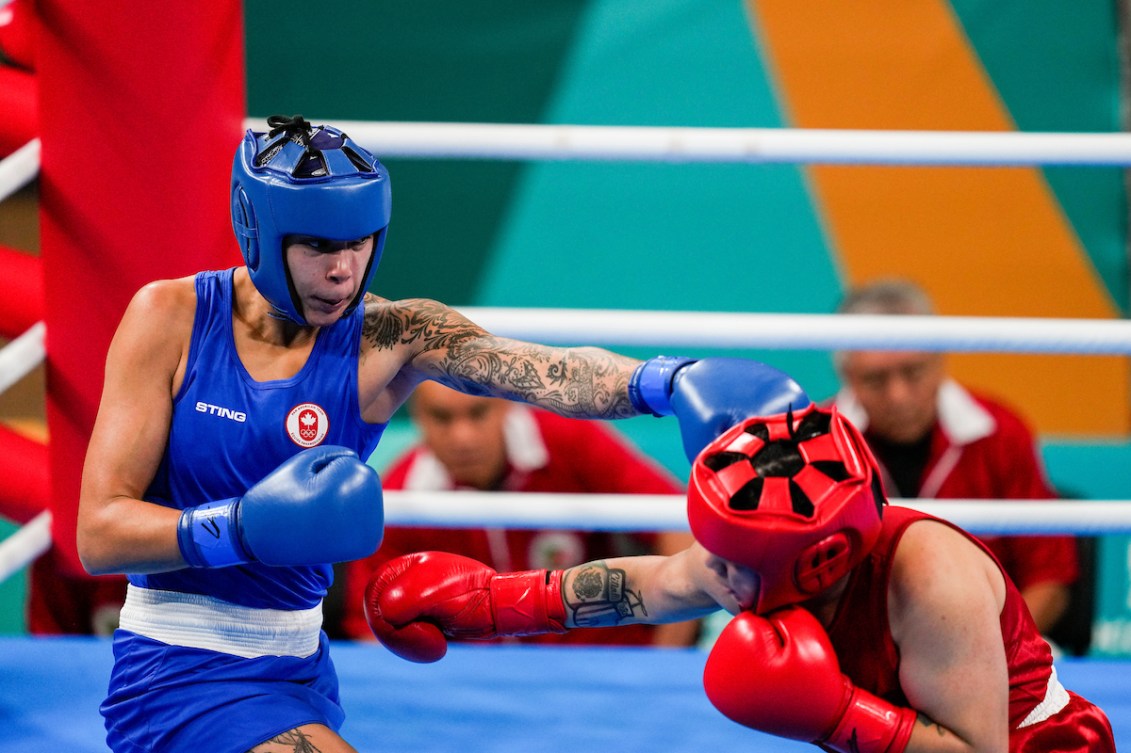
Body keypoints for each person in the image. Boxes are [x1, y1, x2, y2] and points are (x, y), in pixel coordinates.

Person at [75, 114, 808, 753]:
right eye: (317, 248)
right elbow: (100, 532)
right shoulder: (170, 318)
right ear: (258, 232)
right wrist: (240, 527)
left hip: (297, 668)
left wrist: (661, 382)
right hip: (177, 666)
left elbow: (536, 369)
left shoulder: (388, 335)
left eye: (360, 245)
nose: (342, 270)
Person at [364, 404, 1116, 753]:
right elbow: (654, 580)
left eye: (729, 566)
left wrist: (831, 713)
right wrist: (494, 603)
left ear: (816, 561)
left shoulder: (931, 583)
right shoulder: (762, 550)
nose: (711, 576)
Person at [336, 380, 697, 647]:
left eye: (477, 413)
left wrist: (658, 672)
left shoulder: (571, 441)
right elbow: (370, 628)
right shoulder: (400, 499)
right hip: (473, 690)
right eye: (443, 418)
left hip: (603, 660)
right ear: (419, 418)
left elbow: (678, 527)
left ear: (505, 406)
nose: (463, 437)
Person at [831, 278, 1079, 638]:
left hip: (1000, 651)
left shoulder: (999, 433)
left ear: (939, 360)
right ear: (848, 377)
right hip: (854, 662)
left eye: (913, 371)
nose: (898, 395)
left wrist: (995, 655)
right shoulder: (820, 445)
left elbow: (1049, 578)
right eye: (876, 379)